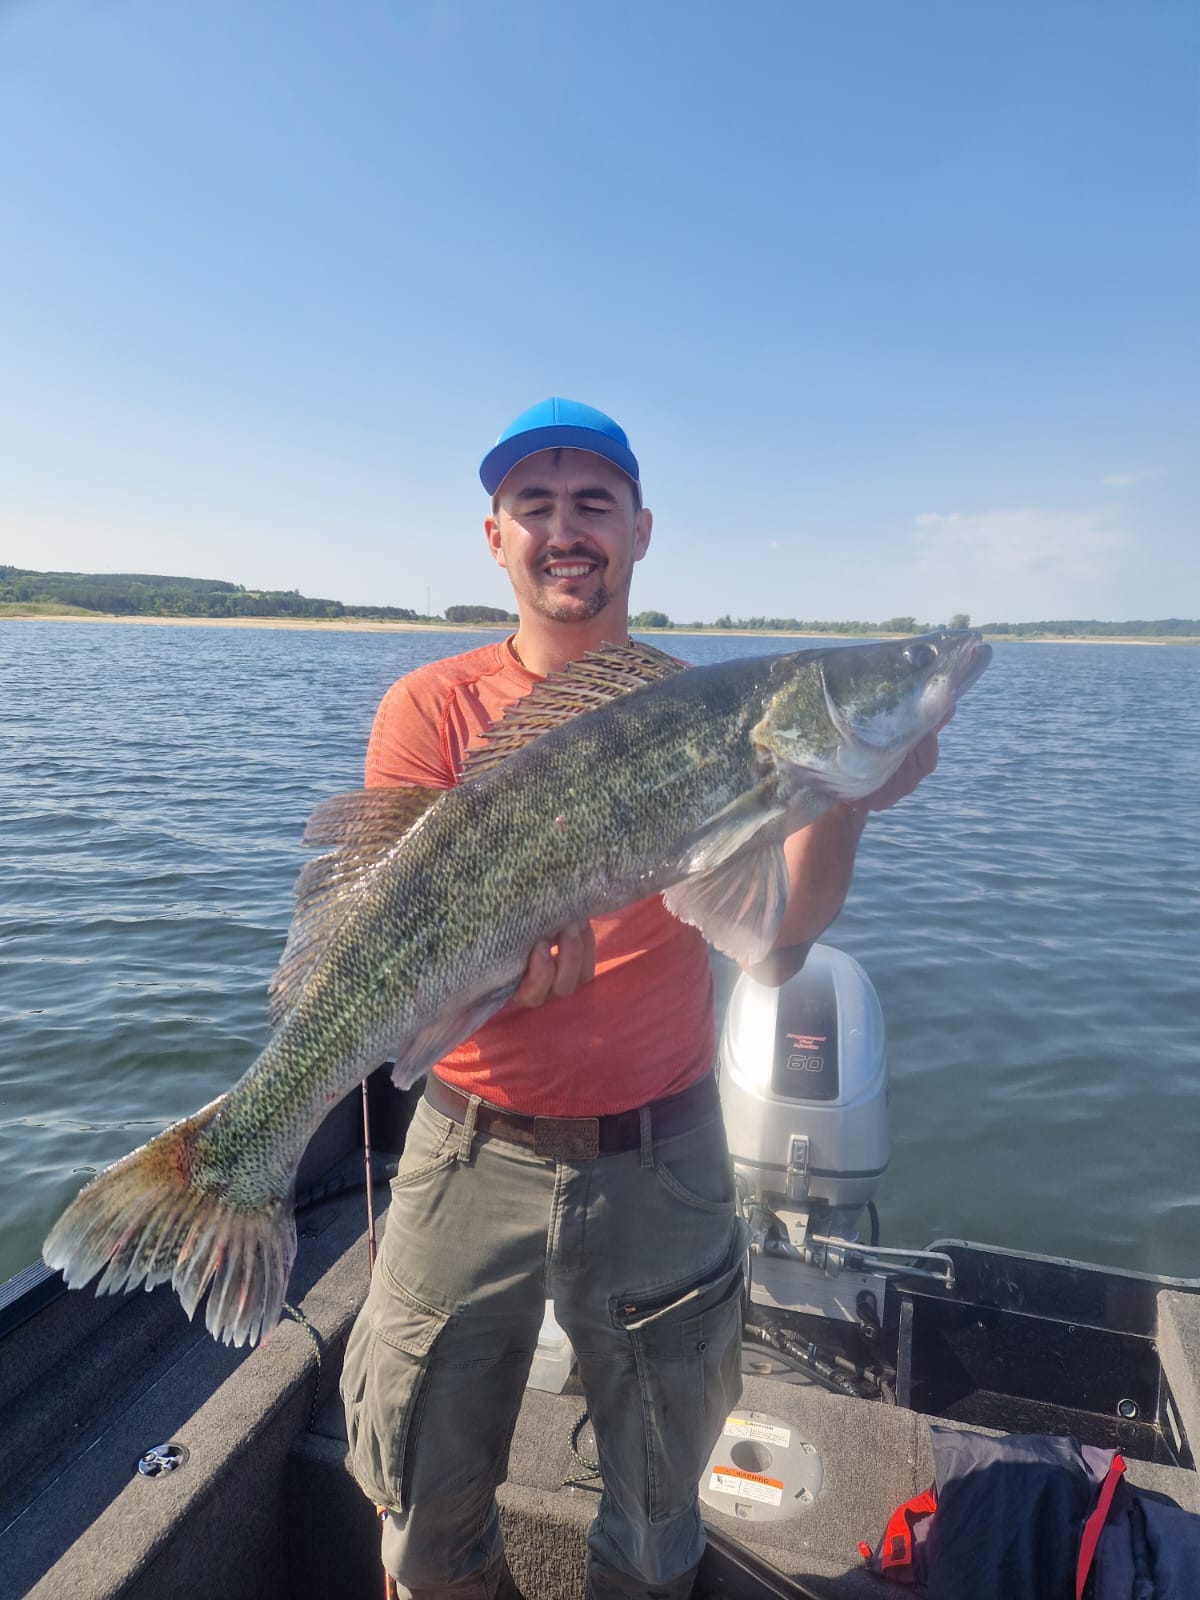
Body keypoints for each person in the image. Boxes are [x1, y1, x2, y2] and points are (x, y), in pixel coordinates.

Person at [340, 399, 944, 1600]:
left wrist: (846, 799)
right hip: (466, 1147)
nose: (567, 530)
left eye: (594, 504)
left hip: (662, 1160)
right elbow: (380, 948)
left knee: (660, 1518)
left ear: (640, 530)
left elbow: (774, 939)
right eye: (537, 506)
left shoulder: (711, 713)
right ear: (496, 537)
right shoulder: (430, 708)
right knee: (418, 1517)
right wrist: (496, 981)